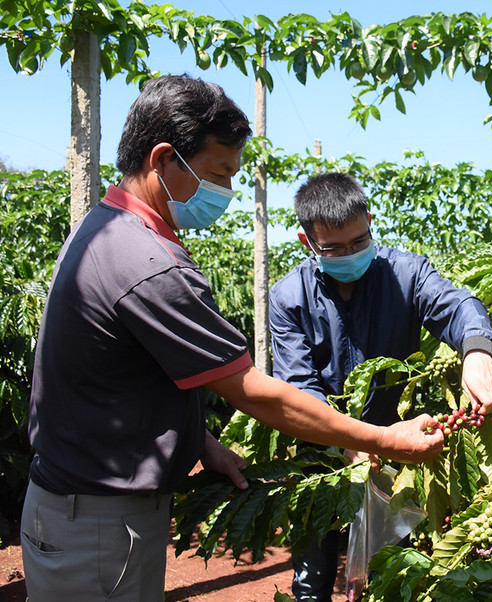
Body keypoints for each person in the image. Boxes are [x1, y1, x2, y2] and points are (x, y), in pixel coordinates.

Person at [21, 75, 443, 602]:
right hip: (99, 526)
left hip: (84, 511)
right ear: (163, 159)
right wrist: (382, 438)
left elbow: (121, 375)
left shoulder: (103, 229)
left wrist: (200, 442)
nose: (225, 192)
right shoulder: (149, 263)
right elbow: (250, 390)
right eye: (218, 173)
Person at [269, 172, 492, 601]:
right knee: (313, 571)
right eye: (334, 249)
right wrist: (347, 440)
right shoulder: (289, 298)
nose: (350, 254)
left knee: (385, 570)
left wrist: (476, 350)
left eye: (359, 242)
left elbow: (457, 306)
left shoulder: (407, 274)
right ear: (307, 243)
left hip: (397, 452)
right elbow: (299, 384)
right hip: (319, 455)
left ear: (370, 222)